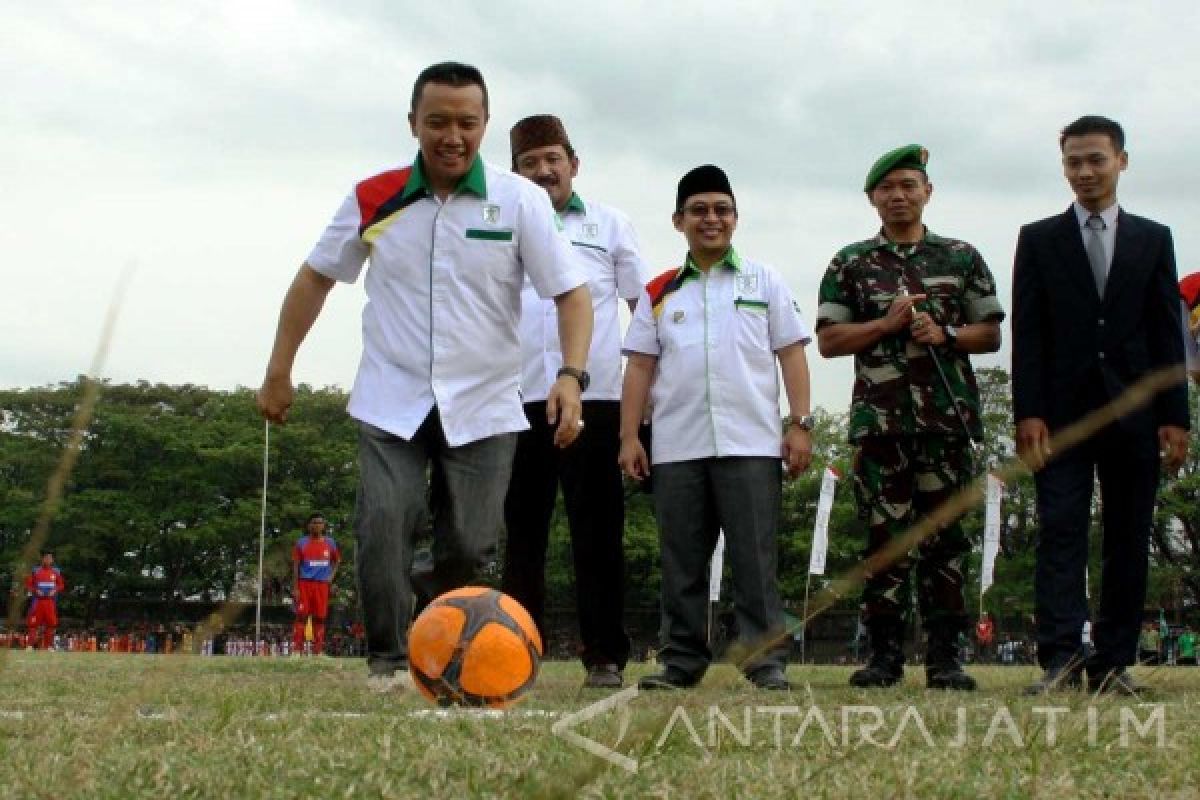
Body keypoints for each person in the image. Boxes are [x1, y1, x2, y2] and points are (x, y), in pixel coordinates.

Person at [256, 62, 592, 692]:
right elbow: (315, 277)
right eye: (437, 121)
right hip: (392, 397)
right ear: (414, 123)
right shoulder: (373, 196)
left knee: (467, 546)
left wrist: (571, 374)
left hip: (486, 402)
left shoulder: (517, 201)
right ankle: (385, 659)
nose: (452, 135)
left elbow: (572, 294)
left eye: (467, 122)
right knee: (382, 523)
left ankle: (446, 653)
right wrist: (280, 370)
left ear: (485, 125)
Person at [816, 144, 1004, 691]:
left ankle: (946, 658)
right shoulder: (850, 262)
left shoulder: (961, 257)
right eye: (886, 189)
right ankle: (883, 658)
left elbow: (989, 333)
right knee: (884, 541)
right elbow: (829, 340)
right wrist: (886, 324)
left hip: (946, 424)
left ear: (927, 192)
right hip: (881, 429)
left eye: (908, 185)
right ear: (873, 198)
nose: (897, 196)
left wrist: (944, 333)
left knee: (946, 541)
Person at [619, 164, 814, 691]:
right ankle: (681, 662)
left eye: (721, 210)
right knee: (681, 563)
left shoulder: (764, 280)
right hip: (677, 448)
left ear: (735, 218)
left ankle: (765, 661)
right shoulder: (660, 290)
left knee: (754, 560)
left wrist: (800, 424)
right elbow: (639, 365)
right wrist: (630, 437)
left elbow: (791, 353)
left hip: (751, 444)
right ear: (679, 220)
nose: (712, 219)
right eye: (699, 210)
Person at [1014, 116, 1189, 696]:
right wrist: (1027, 413)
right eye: (1073, 162)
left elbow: (1169, 333)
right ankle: (1059, 660)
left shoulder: (1153, 238)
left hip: (1136, 413)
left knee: (1128, 536)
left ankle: (1113, 662)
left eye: (1096, 159)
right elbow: (1030, 335)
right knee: (1060, 531)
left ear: (1122, 161)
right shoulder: (1038, 239)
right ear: (1063, 166)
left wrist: (1175, 417)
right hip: (1060, 416)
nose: (1085, 172)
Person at [503, 114, 648, 689]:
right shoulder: (501, 226)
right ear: (514, 175)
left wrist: (649, 397)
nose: (543, 172)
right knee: (522, 533)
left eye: (552, 159)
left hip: (598, 398)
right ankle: (515, 651)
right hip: (516, 399)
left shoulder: (611, 225)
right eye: (529, 163)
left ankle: (605, 656)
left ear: (573, 164)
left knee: (597, 532)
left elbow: (642, 312)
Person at [292, 513, 340, 656]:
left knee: (320, 617)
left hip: (322, 586)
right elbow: (295, 565)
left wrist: (330, 577)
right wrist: (295, 587)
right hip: (304, 584)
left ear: (324, 526)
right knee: (301, 617)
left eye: (320, 522)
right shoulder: (301, 543)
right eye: (314, 522)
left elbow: (337, 561)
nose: (317, 525)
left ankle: (317, 652)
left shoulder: (330, 543)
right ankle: (296, 651)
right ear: (309, 526)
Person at [24, 551, 65, 650]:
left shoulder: (56, 572)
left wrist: (54, 590)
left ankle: (49, 646)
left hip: (50, 602)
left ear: (52, 560)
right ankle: (30, 646)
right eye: (46, 558)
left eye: (50, 558)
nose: (48, 560)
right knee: (33, 624)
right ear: (42, 559)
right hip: (38, 601)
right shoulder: (35, 571)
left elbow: (61, 585)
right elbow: (28, 585)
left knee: (51, 624)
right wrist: (36, 590)